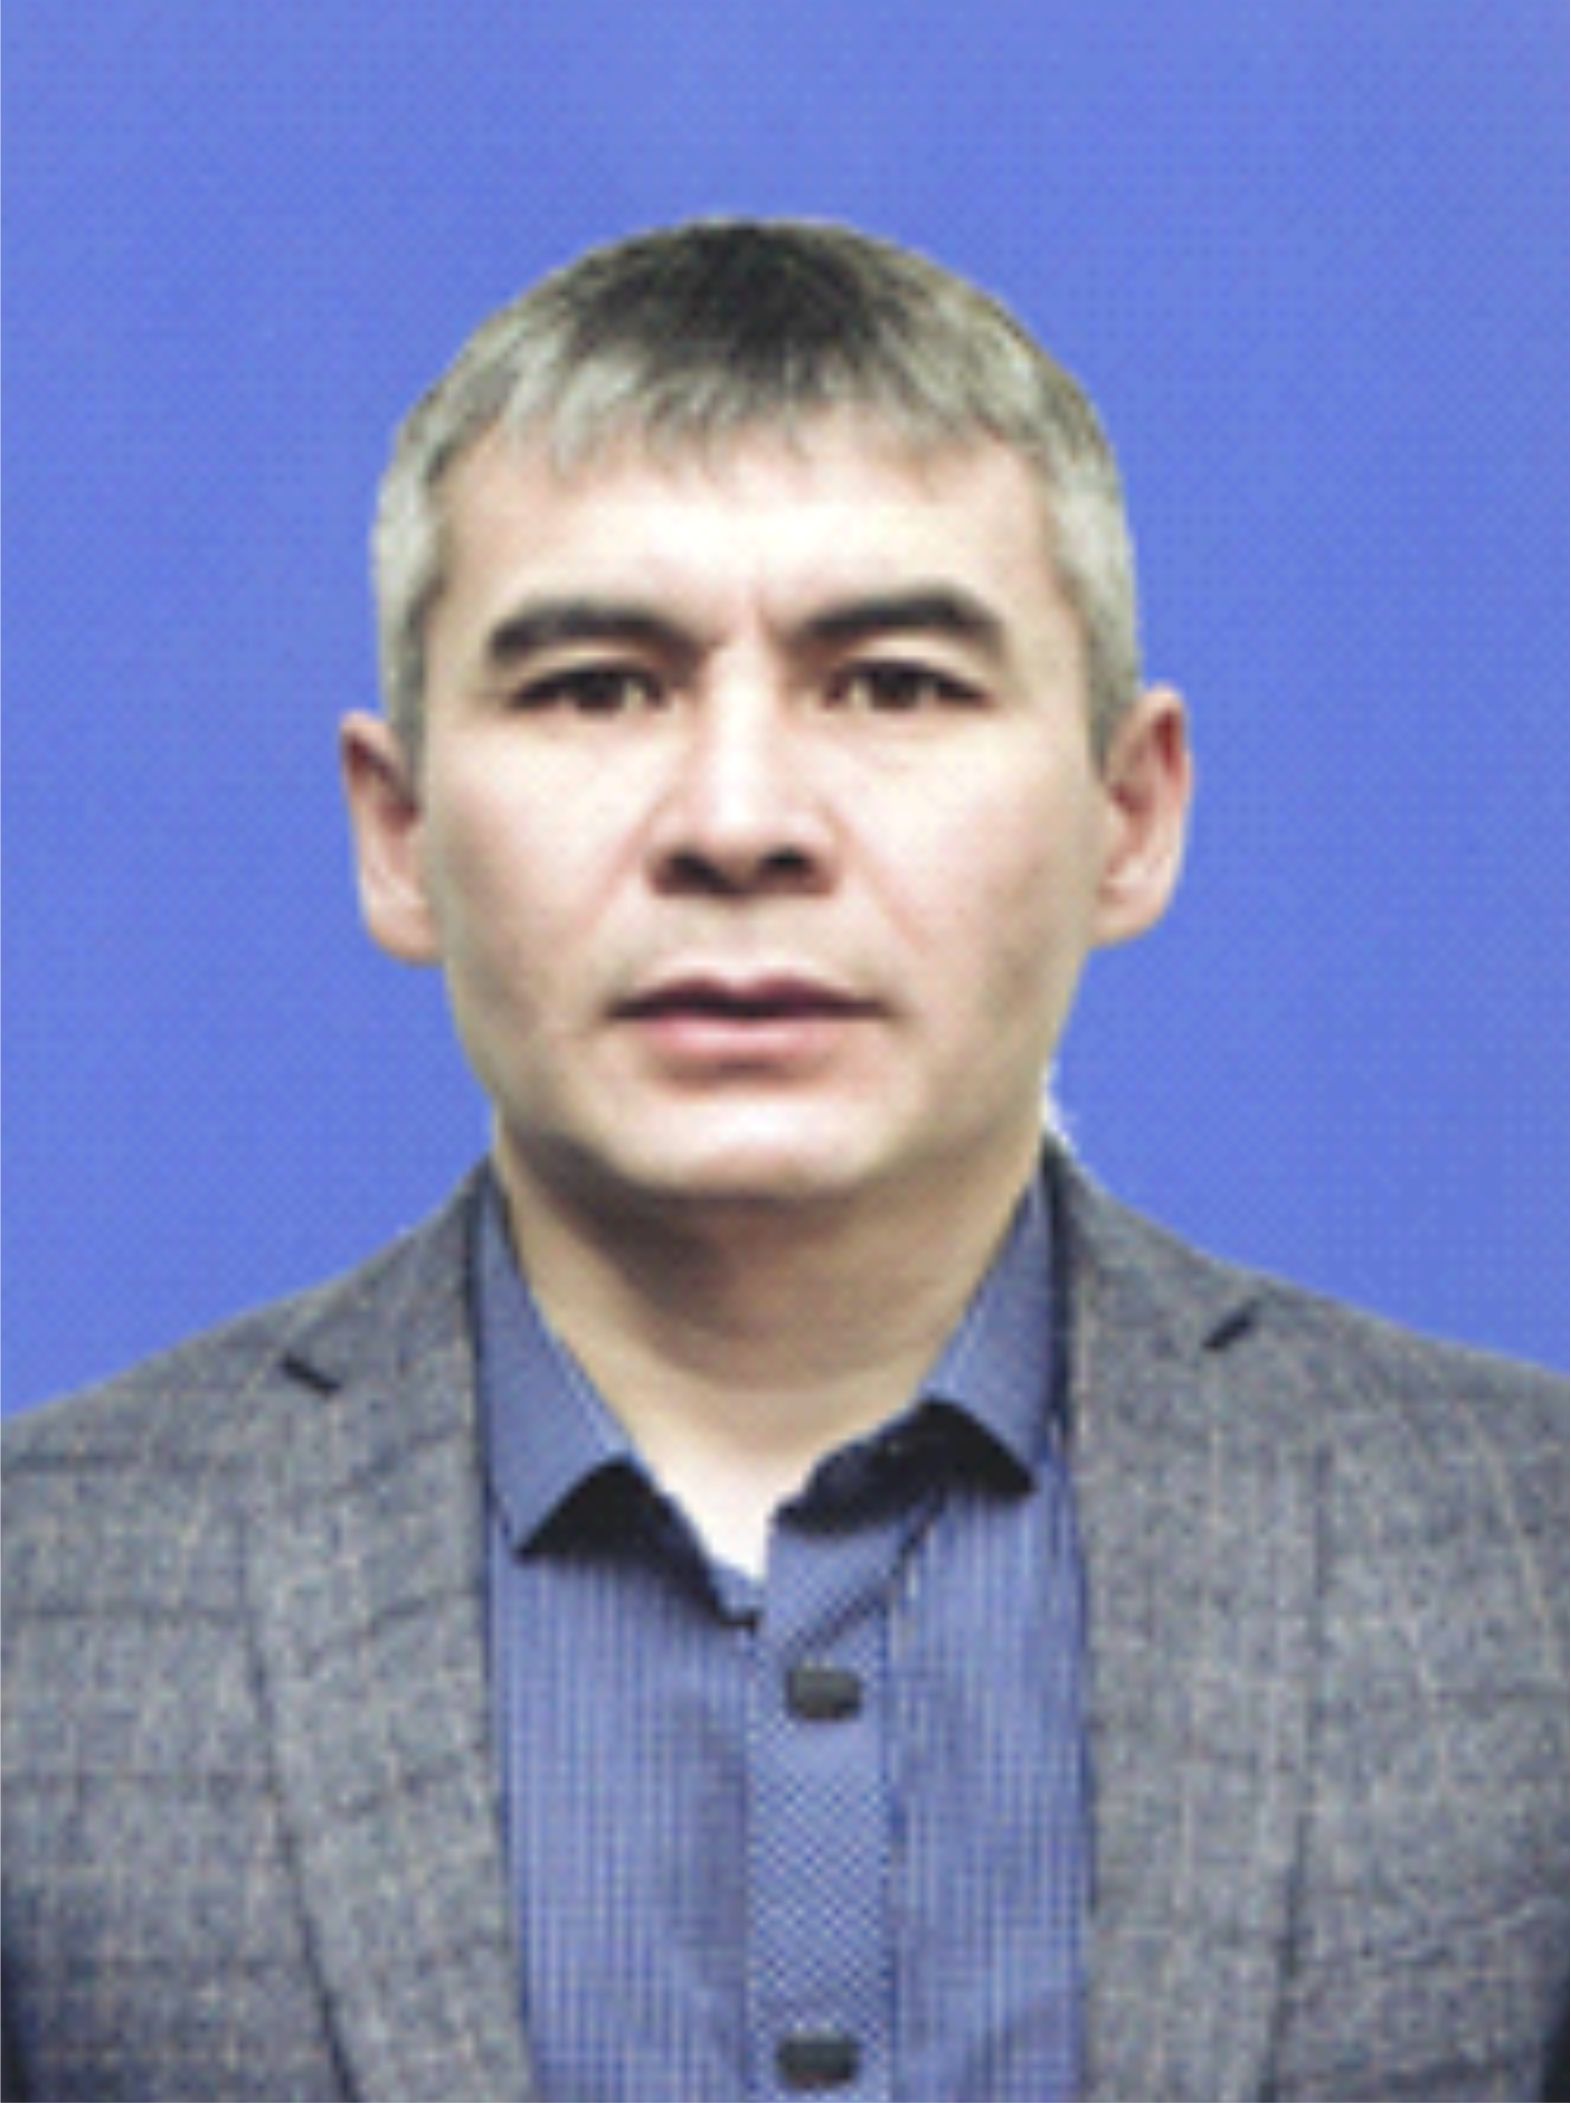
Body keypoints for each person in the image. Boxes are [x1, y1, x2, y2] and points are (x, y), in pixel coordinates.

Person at [3, 219, 1564, 2103]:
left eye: (894, 684)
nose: (738, 822)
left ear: (1128, 816)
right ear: (400, 837)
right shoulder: (44, 1591)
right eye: (596, 687)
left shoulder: (1527, 1554)